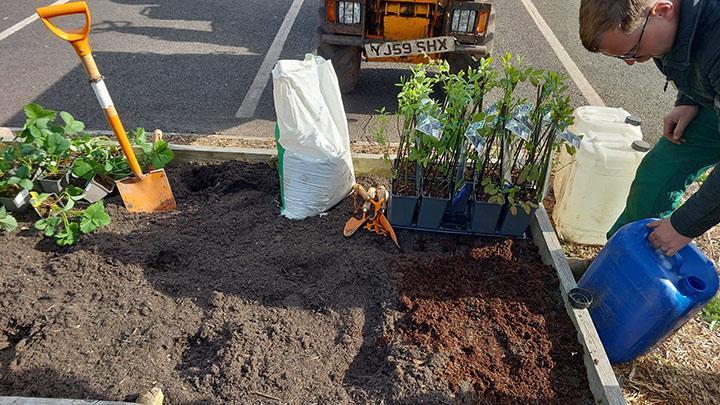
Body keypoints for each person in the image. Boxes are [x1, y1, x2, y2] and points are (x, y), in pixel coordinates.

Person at [578, 0, 720, 256]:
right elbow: (688, 53)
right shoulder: (662, 28)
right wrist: (690, 98)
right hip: (712, 101)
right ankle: (616, 262)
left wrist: (683, 225)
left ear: (662, 10)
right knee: (656, 178)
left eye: (633, 51)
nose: (631, 62)